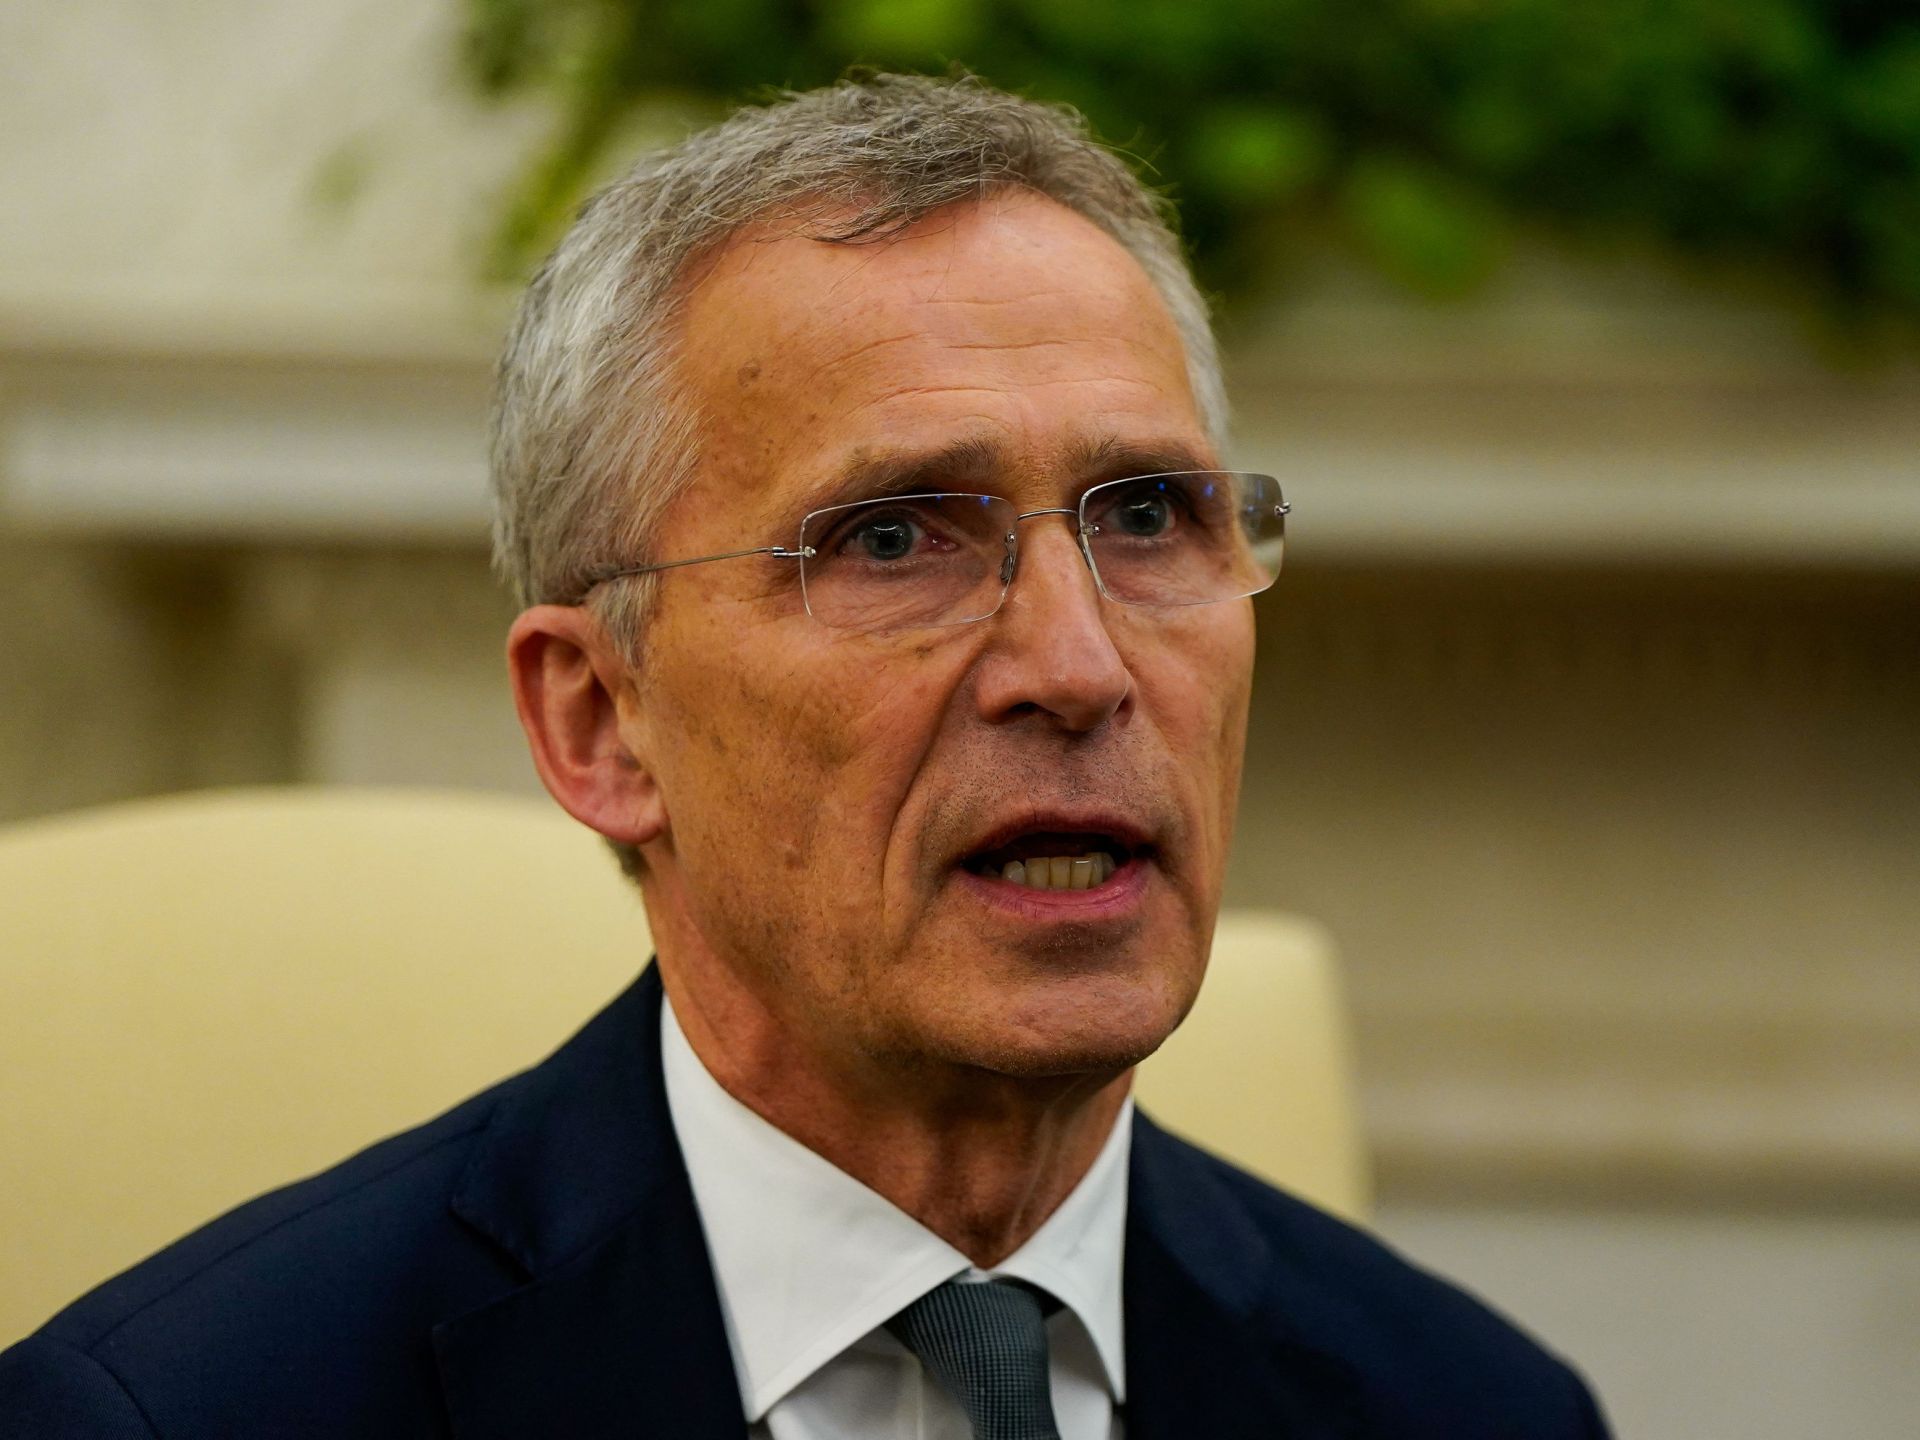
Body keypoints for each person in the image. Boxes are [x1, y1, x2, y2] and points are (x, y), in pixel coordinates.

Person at [0, 74, 1609, 1438]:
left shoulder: (1475, 1410)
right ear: (600, 721)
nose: (1078, 666)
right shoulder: (175, 1412)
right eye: (895, 538)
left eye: (1145, 517)